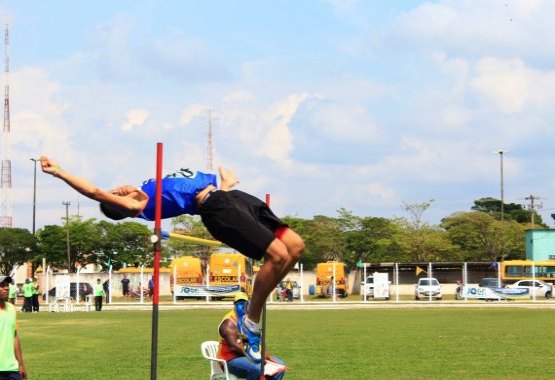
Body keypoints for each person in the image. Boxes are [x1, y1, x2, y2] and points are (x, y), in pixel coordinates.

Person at [40, 156, 304, 363]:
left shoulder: (147, 185)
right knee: (277, 254)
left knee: (295, 246)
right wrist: (59, 171)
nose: (117, 189)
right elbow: (96, 192)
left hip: (231, 198)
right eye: (116, 194)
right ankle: (251, 321)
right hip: (218, 209)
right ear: (121, 204)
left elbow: (201, 190)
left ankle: (249, 315)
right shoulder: (139, 206)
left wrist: (226, 184)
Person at [217, 293, 286, 380]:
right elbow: (234, 347)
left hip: (249, 357)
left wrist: (263, 351)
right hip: (230, 360)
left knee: (280, 365)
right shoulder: (228, 322)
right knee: (257, 368)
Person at [0, 275, 28, 379]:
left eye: (7, 285)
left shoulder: (11, 308)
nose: (6, 288)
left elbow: (14, 336)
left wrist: (20, 365)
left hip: (11, 368)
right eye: (2, 286)